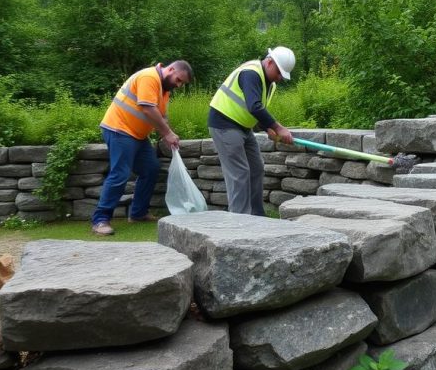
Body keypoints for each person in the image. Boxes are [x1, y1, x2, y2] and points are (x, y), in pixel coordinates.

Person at [91, 60, 193, 236]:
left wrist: (167, 133)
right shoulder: (149, 77)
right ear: (170, 69)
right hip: (119, 130)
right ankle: (100, 220)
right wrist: (167, 133)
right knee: (120, 174)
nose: (179, 85)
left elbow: (161, 116)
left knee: (151, 169)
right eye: (178, 80)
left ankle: (138, 214)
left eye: (182, 83)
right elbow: (147, 108)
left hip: (137, 136)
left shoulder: (164, 89)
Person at [208, 47, 296, 216]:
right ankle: (240, 220)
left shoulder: (268, 81)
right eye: (279, 72)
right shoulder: (251, 73)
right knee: (239, 172)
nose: (279, 78)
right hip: (224, 124)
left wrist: (267, 128)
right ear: (269, 62)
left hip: (242, 127)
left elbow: (252, 109)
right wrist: (278, 127)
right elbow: (254, 106)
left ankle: (256, 217)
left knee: (256, 168)